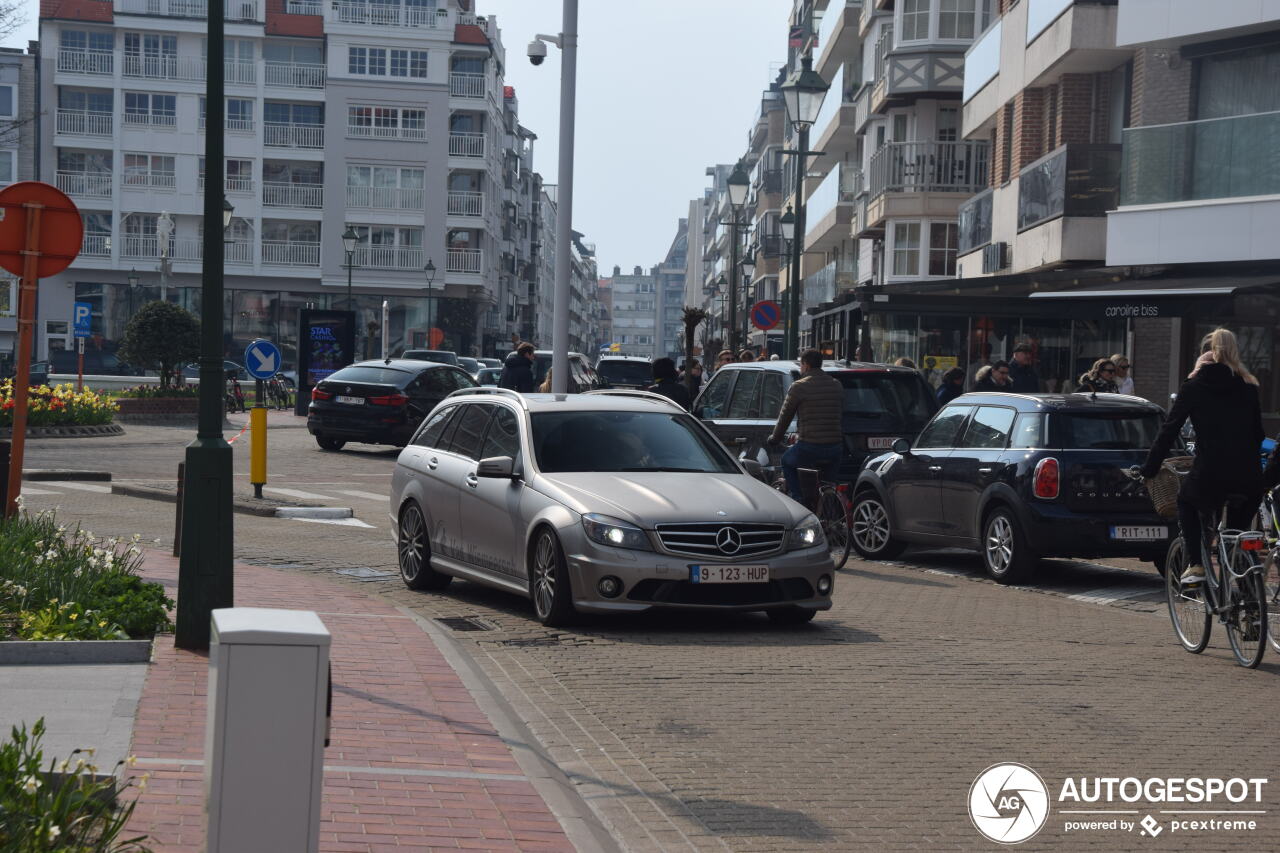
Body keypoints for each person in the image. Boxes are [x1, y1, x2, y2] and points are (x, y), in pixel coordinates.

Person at [1141, 328, 1264, 586]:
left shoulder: (1194, 386)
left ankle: (1196, 564)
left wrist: (1150, 468)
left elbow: (1169, 430)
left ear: (1204, 355)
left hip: (1211, 473)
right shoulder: (1249, 386)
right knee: (1238, 536)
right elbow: (1259, 434)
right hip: (1248, 476)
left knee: (1186, 502)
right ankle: (1249, 602)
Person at [767, 348, 844, 503]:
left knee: (787, 461)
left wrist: (774, 438)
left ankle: (798, 499)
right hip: (835, 446)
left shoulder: (799, 386)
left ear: (806, 365)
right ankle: (830, 507)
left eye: (801, 365)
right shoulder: (836, 385)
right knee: (829, 483)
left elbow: (785, 417)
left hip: (810, 446)